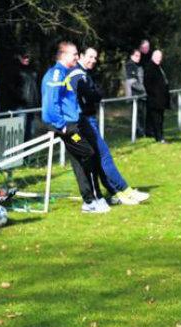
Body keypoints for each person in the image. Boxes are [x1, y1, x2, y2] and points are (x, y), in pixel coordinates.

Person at [70, 47, 150, 205]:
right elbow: (92, 95)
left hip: (88, 119)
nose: (93, 60)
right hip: (84, 121)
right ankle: (125, 190)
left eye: (95, 57)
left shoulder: (85, 73)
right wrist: (95, 94)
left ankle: (117, 193)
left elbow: (96, 94)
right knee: (104, 156)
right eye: (90, 57)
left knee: (99, 159)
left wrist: (95, 94)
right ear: (80, 56)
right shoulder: (78, 75)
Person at [41, 41, 109, 214]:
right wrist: (61, 125)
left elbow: (68, 101)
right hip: (68, 127)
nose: (77, 57)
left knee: (79, 160)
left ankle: (89, 201)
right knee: (89, 153)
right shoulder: (57, 73)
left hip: (73, 122)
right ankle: (94, 197)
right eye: (75, 54)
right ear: (63, 55)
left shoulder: (65, 73)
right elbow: (51, 102)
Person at [7, 49, 40, 140]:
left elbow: (34, 87)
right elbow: (11, 87)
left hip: (32, 106)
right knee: (20, 132)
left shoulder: (32, 70)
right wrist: (21, 98)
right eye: (24, 57)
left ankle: (27, 153)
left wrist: (35, 100)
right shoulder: (14, 69)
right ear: (19, 57)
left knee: (30, 132)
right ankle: (19, 152)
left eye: (28, 57)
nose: (27, 59)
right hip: (21, 106)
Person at [143, 50, 171, 144]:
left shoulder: (159, 67)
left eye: (160, 57)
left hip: (161, 99)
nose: (159, 59)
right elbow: (147, 84)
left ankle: (160, 136)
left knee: (160, 119)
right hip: (155, 99)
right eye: (157, 57)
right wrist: (155, 94)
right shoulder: (150, 68)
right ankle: (159, 137)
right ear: (153, 57)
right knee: (156, 120)